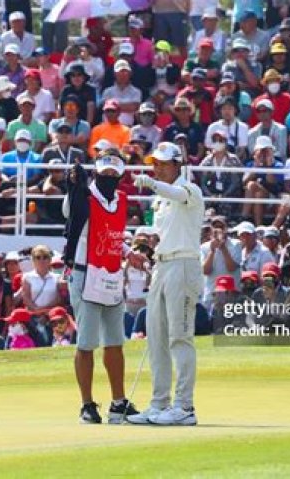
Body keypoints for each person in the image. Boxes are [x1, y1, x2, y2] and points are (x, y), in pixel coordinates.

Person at [63, 149, 145, 423]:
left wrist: (128, 252)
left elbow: (112, 234)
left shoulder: (120, 199)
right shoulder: (83, 196)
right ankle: (87, 405)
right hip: (85, 273)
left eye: (114, 173)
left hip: (111, 274)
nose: (109, 176)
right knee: (86, 343)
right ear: (96, 171)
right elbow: (70, 213)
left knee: (115, 342)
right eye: (105, 171)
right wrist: (75, 187)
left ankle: (118, 402)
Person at [128, 142, 205, 426]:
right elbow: (163, 231)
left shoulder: (189, 190)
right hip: (161, 265)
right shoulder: (160, 199)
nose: (157, 168)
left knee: (180, 336)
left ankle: (184, 406)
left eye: (162, 164)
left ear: (177, 165)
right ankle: (159, 403)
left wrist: (151, 184)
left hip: (183, 265)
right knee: (156, 336)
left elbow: (176, 194)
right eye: (154, 164)